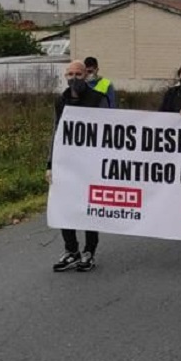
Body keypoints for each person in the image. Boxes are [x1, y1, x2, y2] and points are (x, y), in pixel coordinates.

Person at [47, 60, 112, 273]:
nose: (74, 78)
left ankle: (89, 251)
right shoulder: (61, 100)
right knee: (65, 207)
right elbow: (57, 132)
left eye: (78, 74)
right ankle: (71, 250)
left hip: (91, 164)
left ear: (86, 76)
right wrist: (50, 164)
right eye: (70, 74)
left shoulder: (97, 99)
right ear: (65, 76)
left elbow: (109, 131)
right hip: (67, 163)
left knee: (89, 207)